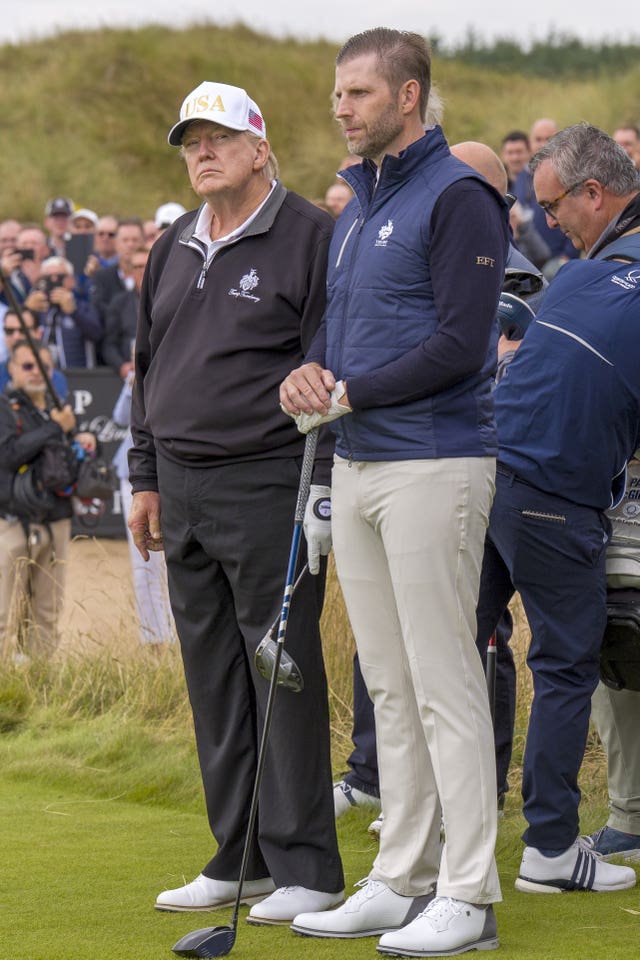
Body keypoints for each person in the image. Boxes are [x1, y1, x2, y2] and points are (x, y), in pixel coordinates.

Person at [281, 28, 508, 956]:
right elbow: (340, 334)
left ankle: (470, 891)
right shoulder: (355, 208)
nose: (343, 108)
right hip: (360, 459)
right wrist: (309, 373)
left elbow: (462, 342)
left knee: (445, 679)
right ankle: (401, 877)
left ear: (409, 96)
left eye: (361, 94)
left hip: (435, 459)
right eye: (339, 94)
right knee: (387, 680)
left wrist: (347, 390)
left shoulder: (458, 195)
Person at [128, 79, 344, 923]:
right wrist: (144, 476)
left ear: (260, 147)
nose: (202, 151)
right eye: (190, 141)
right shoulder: (173, 241)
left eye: (217, 136)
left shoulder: (310, 237)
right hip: (179, 484)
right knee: (214, 676)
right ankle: (239, 857)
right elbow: (151, 364)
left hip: (268, 481)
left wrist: (321, 489)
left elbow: (327, 364)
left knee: (280, 671)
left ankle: (309, 867)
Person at [474, 122, 640, 894]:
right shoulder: (583, 273)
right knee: (568, 666)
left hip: (492, 478)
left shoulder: (577, 278)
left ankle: (440, 828)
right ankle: (548, 848)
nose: (549, 225)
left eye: (552, 209)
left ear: (594, 194)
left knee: (452, 648)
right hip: (554, 497)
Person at [0, 340, 94, 658]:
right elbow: (8, 455)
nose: (36, 373)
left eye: (43, 366)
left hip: (56, 521)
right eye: (27, 366)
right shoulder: (5, 407)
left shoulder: (59, 408)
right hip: (14, 523)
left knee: (46, 614)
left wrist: (83, 441)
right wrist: (56, 427)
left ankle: (40, 690)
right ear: (12, 369)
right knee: (4, 615)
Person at [112, 365, 175, 645]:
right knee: (144, 563)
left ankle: (174, 635)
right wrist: (131, 385)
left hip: (171, 476)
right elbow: (120, 417)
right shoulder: (137, 380)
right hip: (136, 479)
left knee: (173, 561)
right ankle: (153, 637)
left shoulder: (173, 373)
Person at [37, 256, 102, 368]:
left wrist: (74, 312)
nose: (54, 281)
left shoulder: (83, 305)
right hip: (44, 375)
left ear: (71, 280)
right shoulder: (38, 307)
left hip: (78, 375)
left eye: (59, 277)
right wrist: (29, 308)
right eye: (48, 278)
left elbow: (96, 333)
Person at [102, 246, 149, 379]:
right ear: (130, 271)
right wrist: (121, 365)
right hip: (129, 377)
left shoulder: (167, 300)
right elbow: (109, 344)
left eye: (147, 266)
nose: (143, 271)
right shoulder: (119, 303)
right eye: (138, 267)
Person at [0, 308, 69, 399]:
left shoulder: (55, 378)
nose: (16, 337)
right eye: (9, 331)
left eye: (23, 330)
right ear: (11, 368)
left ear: (38, 333)